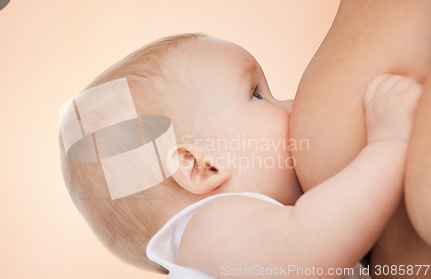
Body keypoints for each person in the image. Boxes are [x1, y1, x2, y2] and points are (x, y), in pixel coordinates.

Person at [58, 33, 422, 278]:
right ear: (201, 166)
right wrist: (388, 146)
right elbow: (306, 246)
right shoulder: (205, 230)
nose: (293, 105)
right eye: (258, 95)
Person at [290, 1, 431, 276]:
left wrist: (388, 144)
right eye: (255, 95)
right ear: (198, 165)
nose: (286, 103)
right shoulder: (212, 225)